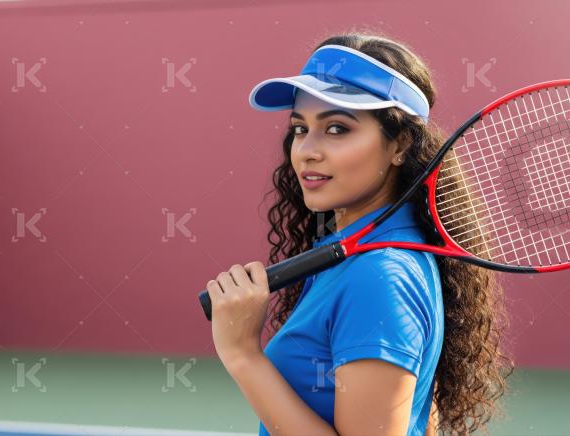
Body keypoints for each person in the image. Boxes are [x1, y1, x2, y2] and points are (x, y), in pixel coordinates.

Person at [205, 32, 514, 435]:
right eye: (300, 128)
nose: (307, 150)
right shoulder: (353, 250)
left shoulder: (381, 276)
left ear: (400, 144)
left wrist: (243, 354)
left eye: (337, 129)